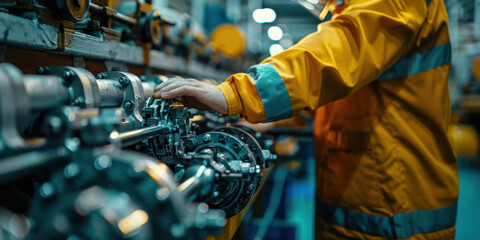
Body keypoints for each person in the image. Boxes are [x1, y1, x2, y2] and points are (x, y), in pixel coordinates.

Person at [154, 0, 458, 239]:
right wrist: (273, 121)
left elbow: (336, 55)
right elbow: (339, 95)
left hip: (398, 216)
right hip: (365, 204)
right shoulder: (352, 8)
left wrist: (238, 95)